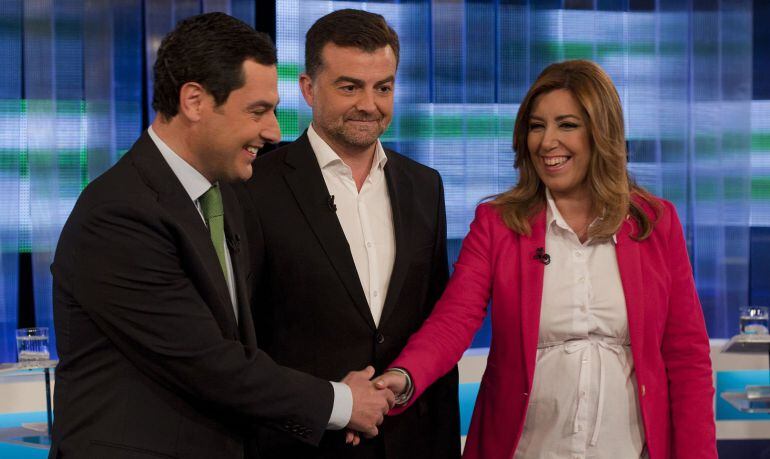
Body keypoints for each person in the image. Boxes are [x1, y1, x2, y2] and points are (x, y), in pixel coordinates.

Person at [49, 12, 393, 459]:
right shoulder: (119, 213)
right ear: (194, 101)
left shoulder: (224, 194)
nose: (273, 131)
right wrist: (342, 402)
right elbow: (206, 362)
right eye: (258, 111)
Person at [375, 60, 717, 459]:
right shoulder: (499, 224)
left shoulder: (655, 223)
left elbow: (688, 357)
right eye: (537, 126)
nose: (546, 141)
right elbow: (453, 320)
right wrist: (403, 376)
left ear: (600, 132)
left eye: (566, 125)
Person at [236, 8, 460, 459]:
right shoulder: (252, 187)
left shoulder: (425, 186)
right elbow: (243, 345)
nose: (369, 104)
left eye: (383, 87)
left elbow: (438, 325)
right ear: (307, 88)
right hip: (301, 445)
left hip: (408, 444)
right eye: (349, 86)